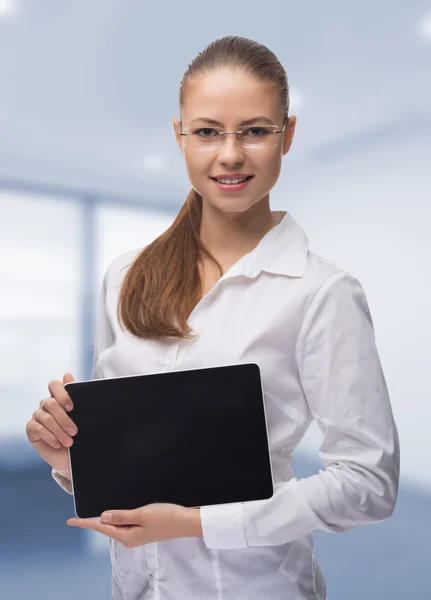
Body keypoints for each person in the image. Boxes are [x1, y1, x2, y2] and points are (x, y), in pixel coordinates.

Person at [25, 36, 400, 600]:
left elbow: (368, 484)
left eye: (253, 130)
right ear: (178, 135)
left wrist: (196, 523)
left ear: (287, 135)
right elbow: (134, 463)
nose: (229, 154)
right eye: (206, 131)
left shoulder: (322, 292)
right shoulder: (125, 277)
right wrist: (72, 460)